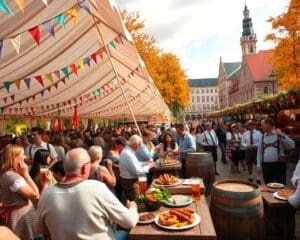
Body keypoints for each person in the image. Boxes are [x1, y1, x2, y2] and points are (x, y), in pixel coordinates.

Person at [35, 148, 139, 240]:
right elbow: (129, 221)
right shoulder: (96, 188)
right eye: (90, 163)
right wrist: (133, 207)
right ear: (85, 168)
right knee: (124, 233)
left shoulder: (46, 194)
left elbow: (39, 229)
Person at [0, 144, 40, 240]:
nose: (25, 156)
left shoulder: (9, 173)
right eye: (22, 154)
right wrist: (26, 175)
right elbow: (35, 195)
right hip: (20, 218)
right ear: (15, 157)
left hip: (19, 215)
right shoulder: (12, 176)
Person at [257, 118, 295, 185]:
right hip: (266, 166)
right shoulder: (262, 137)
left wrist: (283, 136)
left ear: (268, 125)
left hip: (279, 165)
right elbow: (259, 152)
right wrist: (258, 165)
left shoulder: (279, 134)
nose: (261, 127)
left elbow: (292, 145)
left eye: (262, 125)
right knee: (268, 185)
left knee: (280, 185)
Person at [119, 135, 155, 201]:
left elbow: (136, 164)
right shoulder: (128, 154)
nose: (140, 146)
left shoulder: (128, 152)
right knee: (137, 202)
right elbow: (137, 171)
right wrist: (149, 166)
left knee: (137, 200)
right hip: (130, 182)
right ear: (135, 143)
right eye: (139, 144)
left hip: (130, 181)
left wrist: (146, 163)